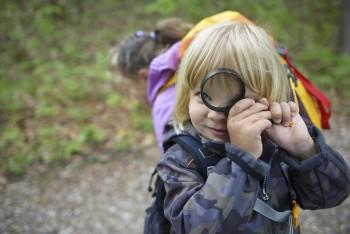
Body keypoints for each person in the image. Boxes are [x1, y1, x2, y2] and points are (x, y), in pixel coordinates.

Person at [156, 22, 350, 233]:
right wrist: (241, 161)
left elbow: (331, 196)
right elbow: (195, 228)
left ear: (268, 98)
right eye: (204, 97)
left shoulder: (275, 145)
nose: (215, 114)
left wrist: (303, 148)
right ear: (187, 95)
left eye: (234, 102)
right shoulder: (181, 160)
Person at [109, 18, 192, 152]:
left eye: (130, 88)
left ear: (143, 76)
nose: (133, 96)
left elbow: (175, 167)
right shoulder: (190, 70)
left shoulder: (164, 105)